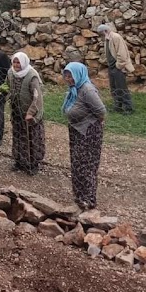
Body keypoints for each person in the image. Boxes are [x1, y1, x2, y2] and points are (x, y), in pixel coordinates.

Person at [62, 62, 107, 210]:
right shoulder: (75, 89)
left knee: (86, 166)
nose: (68, 79)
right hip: (77, 130)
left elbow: (101, 111)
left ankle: (89, 200)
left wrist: (90, 123)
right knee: (77, 164)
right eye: (66, 76)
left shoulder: (87, 90)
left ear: (79, 74)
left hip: (88, 133)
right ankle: (80, 197)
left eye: (71, 76)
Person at [7, 52, 45, 175]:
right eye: (14, 62)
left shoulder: (31, 76)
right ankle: (19, 161)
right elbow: (7, 85)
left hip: (29, 113)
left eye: (18, 62)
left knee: (31, 138)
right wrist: (2, 91)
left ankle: (32, 164)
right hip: (17, 112)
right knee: (18, 136)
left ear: (24, 62)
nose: (16, 65)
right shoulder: (11, 73)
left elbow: (37, 97)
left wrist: (31, 113)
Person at [96, 24, 135, 114]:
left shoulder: (116, 37)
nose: (100, 36)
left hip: (118, 67)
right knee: (114, 87)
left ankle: (129, 108)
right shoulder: (107, 38)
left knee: (122, 87)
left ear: (105, 31)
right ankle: (118, 106)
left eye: (101, 34)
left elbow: (122, 53)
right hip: (111, 66)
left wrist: (119, 66)